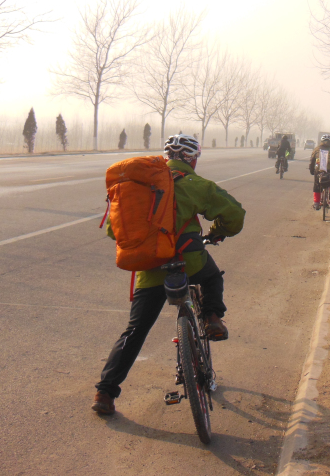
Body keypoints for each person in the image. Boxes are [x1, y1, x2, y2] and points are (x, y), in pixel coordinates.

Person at [92, 134, 245, 416]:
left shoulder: (140, 188)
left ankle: (105, 392)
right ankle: (212, 317)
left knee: (135, 330)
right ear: (193, 159)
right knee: (212, 278)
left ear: (166, 157)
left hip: (150, 267)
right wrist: (219, 231)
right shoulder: (195, 184)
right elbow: (235, 214)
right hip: (189, 262)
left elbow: (114, 230)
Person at [309, 134, 330, 209]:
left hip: (319, 171)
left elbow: (312, 161)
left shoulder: (316, 149)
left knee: (317, 184)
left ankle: (316, 203)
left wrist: (312, 170)